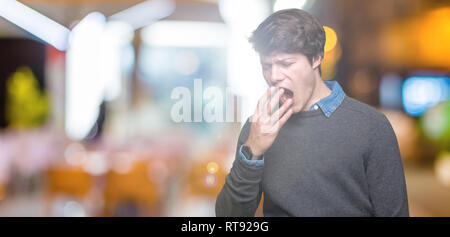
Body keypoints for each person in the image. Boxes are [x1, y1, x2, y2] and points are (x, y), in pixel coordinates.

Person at [215, 8, 409, 217]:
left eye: (286, 64)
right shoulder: (258, 127)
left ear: (316, 58)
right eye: (266, 66)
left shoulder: (372, 126)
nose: (273, 76)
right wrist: (252, 149)